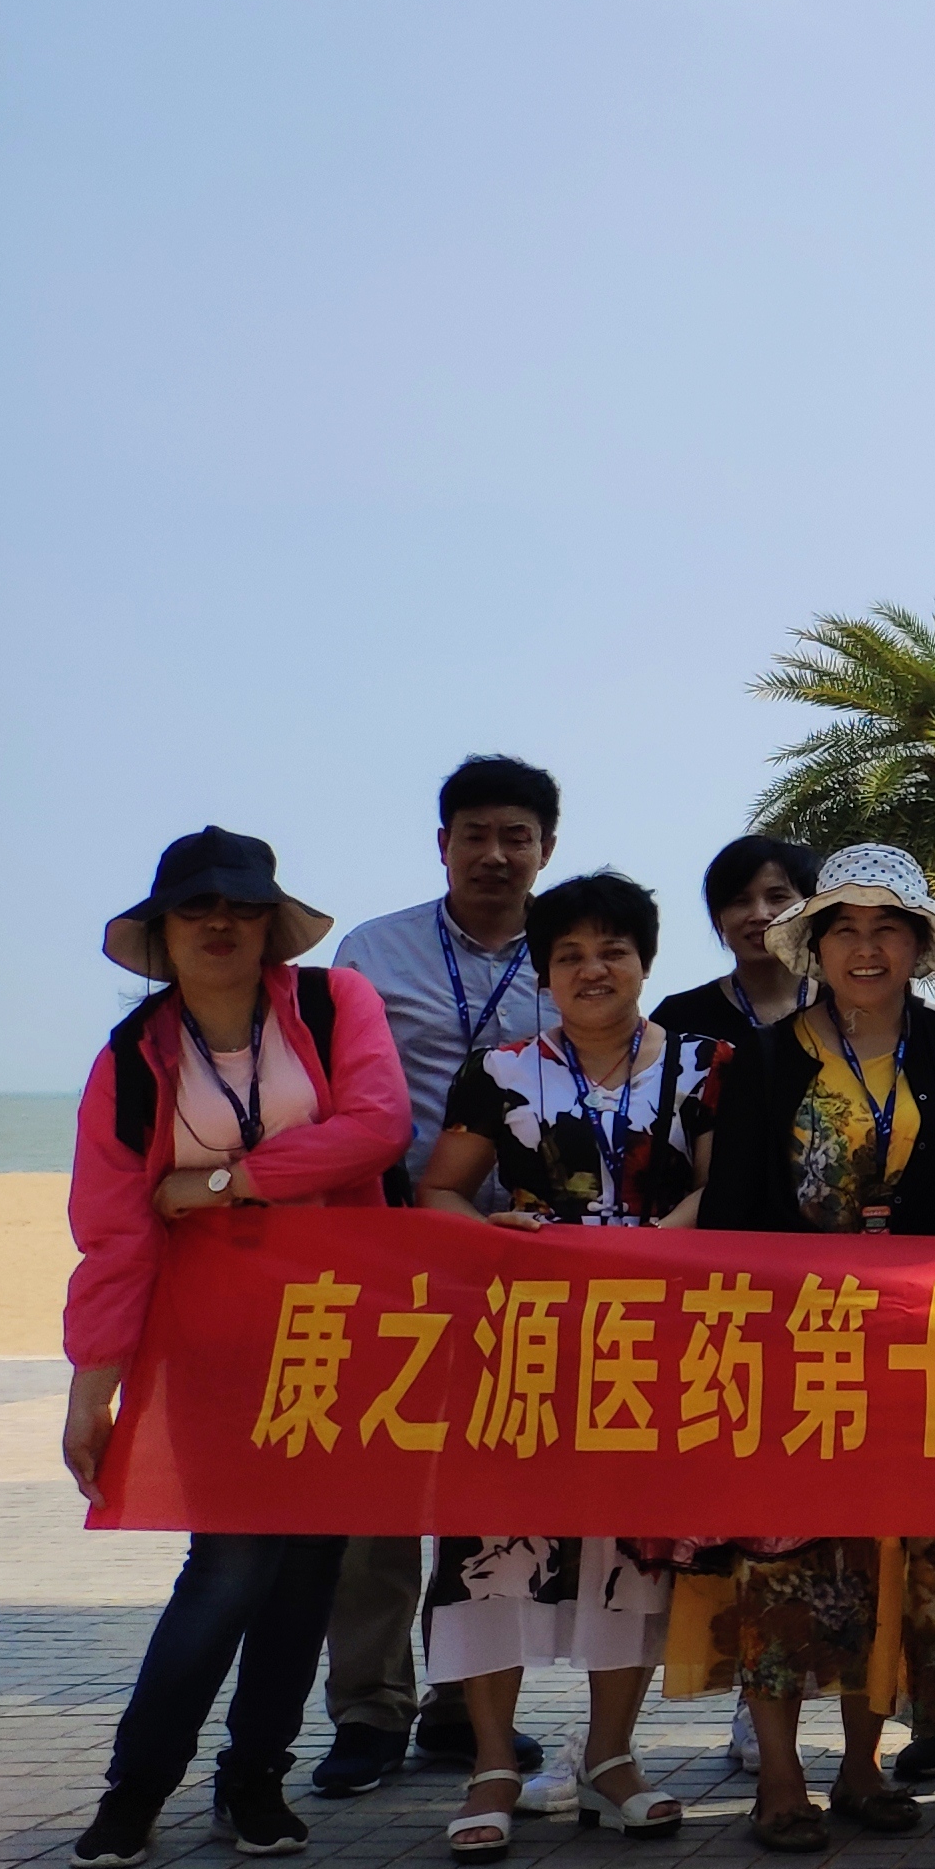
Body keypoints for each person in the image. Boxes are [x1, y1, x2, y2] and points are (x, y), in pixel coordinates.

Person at [64, 832, 410, 1869]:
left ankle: (254, 1781)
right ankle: (136, 1789)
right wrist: (90, 1392)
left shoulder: (335, 1006)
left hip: (337, 1336)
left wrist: (221, 1185)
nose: (220, 923)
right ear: (163, 932)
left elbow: (379, 1126)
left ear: (271, 925)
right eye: (196, 908)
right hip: (210, 1347)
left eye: (242, 906)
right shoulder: (131, 1062)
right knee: (229, 1563)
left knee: (308, 1569)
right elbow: (115, 1235)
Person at [691, 844, 935, 1851]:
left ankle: (864, 1766)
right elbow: (730, 1218)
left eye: (887, 929)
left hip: (916, 1354)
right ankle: (780, 1777)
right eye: (845, 930)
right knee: (781, 1562)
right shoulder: (767, 1058)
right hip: (792, 1354)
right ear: (815, 947)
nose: (867, 948)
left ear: (917, 945)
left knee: (895, 1559)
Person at [411, 868, 700, 1857]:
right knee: (492, 1549)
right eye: (569, 954)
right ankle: (493, 1765)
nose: (592, 969)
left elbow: (725, 1188)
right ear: (544, 972)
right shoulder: (498, 1071)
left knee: (631, 1551)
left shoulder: (703, 1066)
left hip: (651, 1345)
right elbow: (438, 1193)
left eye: (612, 950)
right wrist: (487, 1230)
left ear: (645, 962)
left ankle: (610, 1759)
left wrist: (652, 1246)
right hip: (522, 1345)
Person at [308, 753, 560, 1800]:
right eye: (477, 835)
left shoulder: (572, 953)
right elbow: (329, 1096)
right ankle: (369, 1711)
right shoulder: (370, 953)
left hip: (523, 1266)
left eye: (517, 837)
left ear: (547, 848)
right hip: (390, 1258)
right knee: (376, 1491)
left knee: (489, 1489)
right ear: (443, 844)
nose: (496, 855)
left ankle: (466, 1709)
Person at [647, 834, 818, 1053]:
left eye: (777, 897)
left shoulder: (847, 1007)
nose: (760, 914)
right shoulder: (677, 1020)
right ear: (718, 919)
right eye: (741, 901)